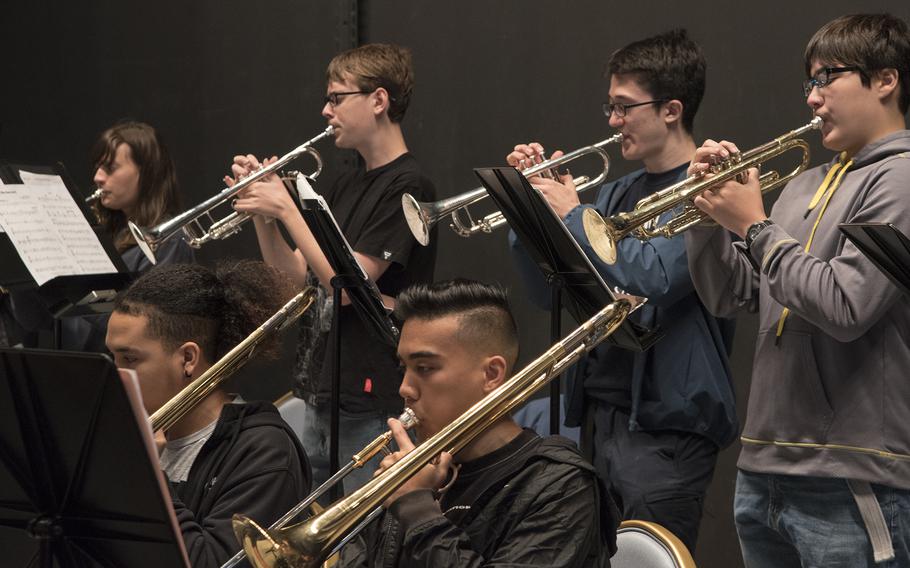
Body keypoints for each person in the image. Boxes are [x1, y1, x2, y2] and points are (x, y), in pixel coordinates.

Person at [684, 13, 910, 567]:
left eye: (826, 77)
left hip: (853, 470)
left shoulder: (902, 177)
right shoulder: (804, 183)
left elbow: (845, 305)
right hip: (763, 465)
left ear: (885, 79)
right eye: (808, 82)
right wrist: (707, 220)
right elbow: (732, 296)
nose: (812, 99)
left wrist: (754, 227)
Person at [505, 29, 737, 552]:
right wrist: (532, 214)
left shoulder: (709, 188)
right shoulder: (616, 192)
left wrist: (574, 213)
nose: (612, 122)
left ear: (672, 110)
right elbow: (551, 294)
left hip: (665, 428)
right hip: (596, 413)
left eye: (624, 107)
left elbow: (654, 280)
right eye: (610, 107)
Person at [226, 43, 437, 493]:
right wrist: (265, 216)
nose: (326, 110)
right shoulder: (345, 184)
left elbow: (348, 288)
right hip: (324, 390)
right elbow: (296, 282)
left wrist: (288, 211)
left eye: (337, 98)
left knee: (368, 538)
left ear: (378, 100)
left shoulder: (408, 185)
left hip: (372, 395)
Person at [339, 279, 618, 567]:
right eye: (404, 368)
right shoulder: (415, 470)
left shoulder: (562, 487)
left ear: (492, 374)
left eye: (424, 368)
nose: (405, 388)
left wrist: (416, 508)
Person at [105, 260, 312, 567]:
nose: (115, 375)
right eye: (112, 357)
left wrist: (147, 477)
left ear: (188, 358)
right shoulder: (121, 430)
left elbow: (212, 561)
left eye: (130, 359)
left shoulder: (265, 452)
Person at [8, 121, 194, 352]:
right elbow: (35, 322)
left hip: (121, 376)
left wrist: (73, 290)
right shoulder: (97, 234)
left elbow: (143, 332)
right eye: (97, 167)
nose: (97, 177)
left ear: (147, 173)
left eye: (111, 168)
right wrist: (21, 270)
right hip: (74, 369)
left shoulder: (169, 242)